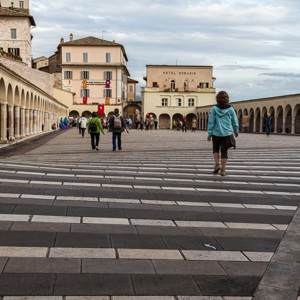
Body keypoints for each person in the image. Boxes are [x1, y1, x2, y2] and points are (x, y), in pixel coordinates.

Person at [207, 91, 239, 176]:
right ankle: (223, 170)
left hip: (216, 133)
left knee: (216, 149)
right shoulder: (231, 108)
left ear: (217, 98)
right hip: (227, 133)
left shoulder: (214, 109)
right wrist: (236, 131)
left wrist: (209, 133)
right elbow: (234, 121)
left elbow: (211, 122)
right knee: (224, 151)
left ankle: (217, 165)